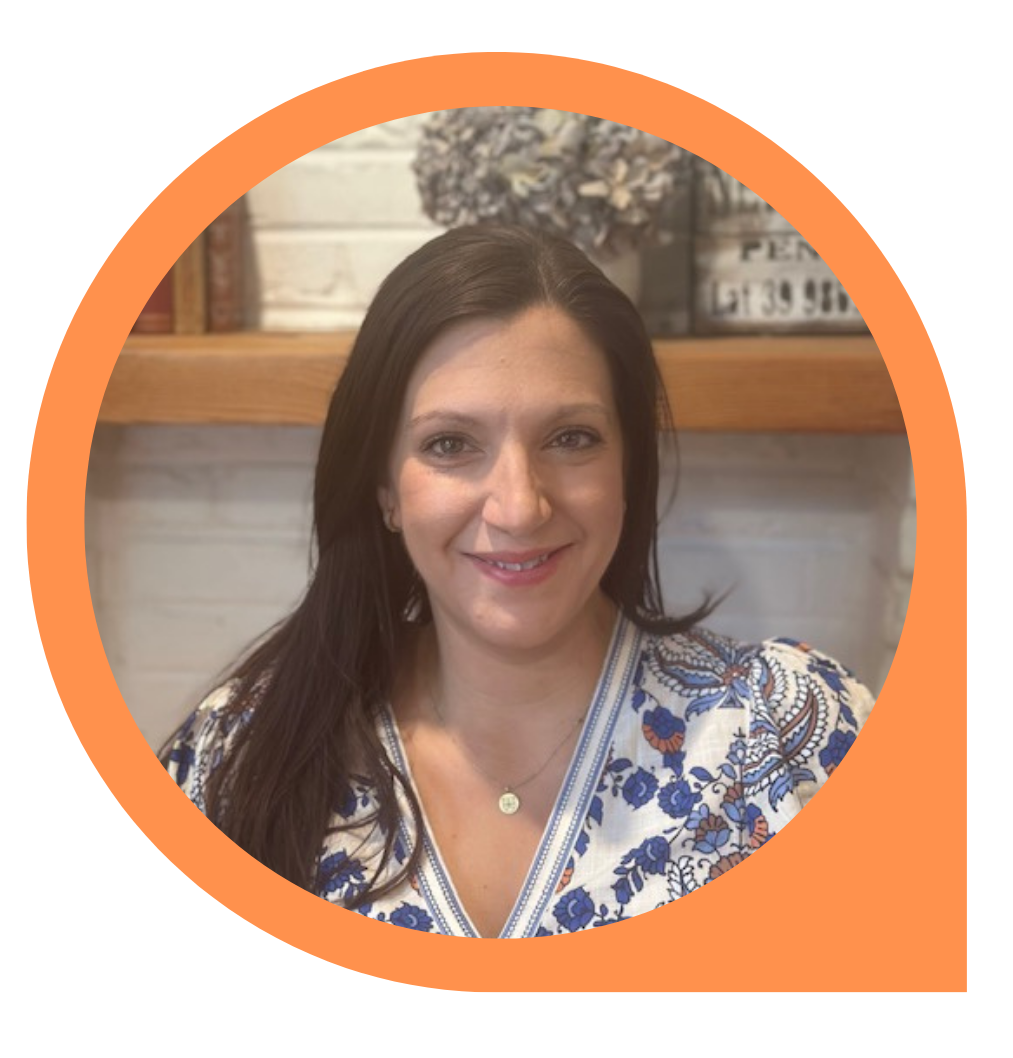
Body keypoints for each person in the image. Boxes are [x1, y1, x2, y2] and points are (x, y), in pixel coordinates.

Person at [165, 224, 874, 938]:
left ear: (627, 466)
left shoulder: (787, 731)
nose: (518, 507)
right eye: (450, 444)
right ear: (384, 486)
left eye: (570, 439)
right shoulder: (241, 754)